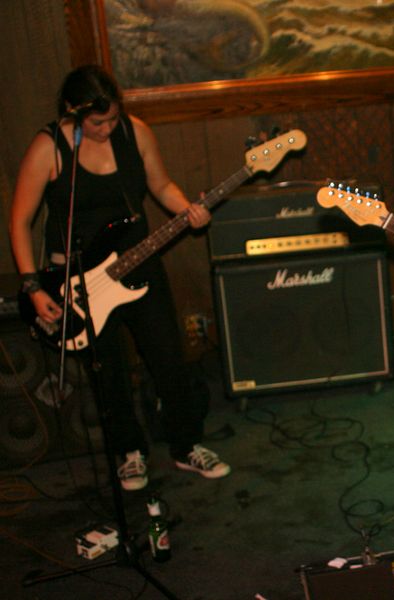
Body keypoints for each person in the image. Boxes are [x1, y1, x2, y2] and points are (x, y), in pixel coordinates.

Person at [9, 65, 230, 491]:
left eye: (112, 119)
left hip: (138, 262)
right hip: (79, 280)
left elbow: (161, 186)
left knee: (168, 357)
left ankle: (186, 444)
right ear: (72, 111)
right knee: (108, 371)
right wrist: (33, 286)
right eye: (97, 123)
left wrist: (188, 209)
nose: (107, 128)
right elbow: (19, 221)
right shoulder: (48, 147)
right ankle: (129, 453)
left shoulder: (136, 133)